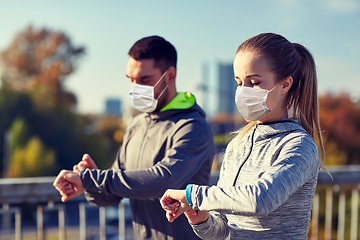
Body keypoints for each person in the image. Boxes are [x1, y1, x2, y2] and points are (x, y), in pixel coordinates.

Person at [160, 32, 326, 239]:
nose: (243, 91)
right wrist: (201, 219)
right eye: (239, 82)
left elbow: (261, 199)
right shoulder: (238, 144)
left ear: (285, 84)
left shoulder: (299, 145)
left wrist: (193, 195)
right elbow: (222, 231)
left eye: (254, 82)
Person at [53, 35, 215, 240]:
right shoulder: (137, 125)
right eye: (130, 79)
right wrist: (91, 184)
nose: (134, 87)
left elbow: (161, 181)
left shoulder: (193, 127)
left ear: (170, 76)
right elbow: (111, 198)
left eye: (144, 80)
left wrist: (91, 178)